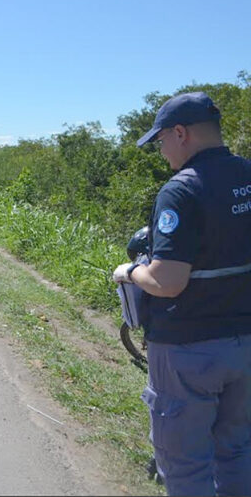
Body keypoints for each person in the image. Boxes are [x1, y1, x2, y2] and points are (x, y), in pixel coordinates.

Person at [112, 92, 251, 496]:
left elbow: (169, 280)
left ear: (180, 133)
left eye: (161, 142)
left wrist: (132, 271)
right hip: (244, 347)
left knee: (186, 466)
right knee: (238, 451)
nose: (161, 152)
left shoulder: (181, 189)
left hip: (188, 350)